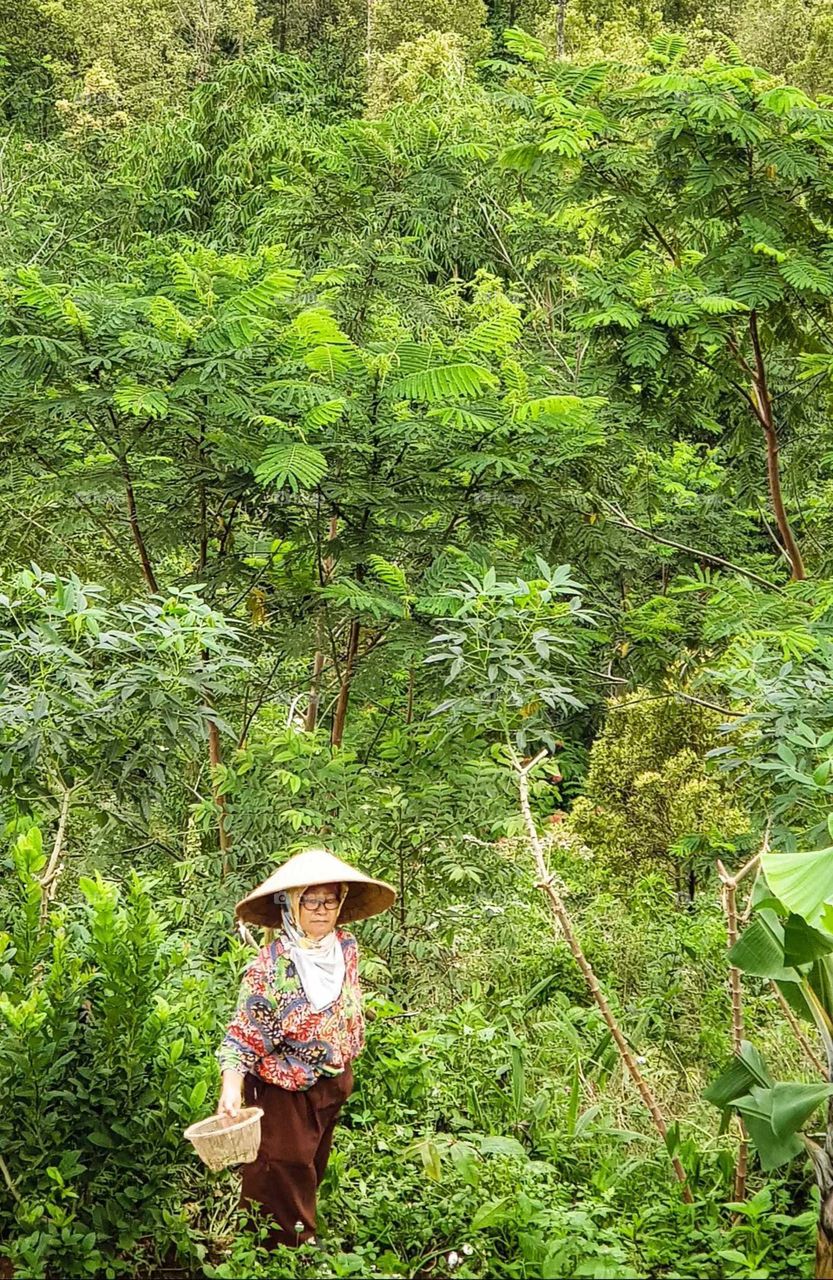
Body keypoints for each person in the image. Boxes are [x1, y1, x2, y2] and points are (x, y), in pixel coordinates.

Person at [216, 847, 395, 1248]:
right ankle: (283, 1255)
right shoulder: (270, 967)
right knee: (281, 1168)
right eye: (309, 900)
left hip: (332, 1082)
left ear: (340, 902)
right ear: (290, 906)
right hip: (285, 1089)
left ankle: (291, 1239)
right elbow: (243, 1034)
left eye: (329, 899)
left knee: (311, 1165)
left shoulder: (344, 947)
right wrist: (232, 1088)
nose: (320, 909)